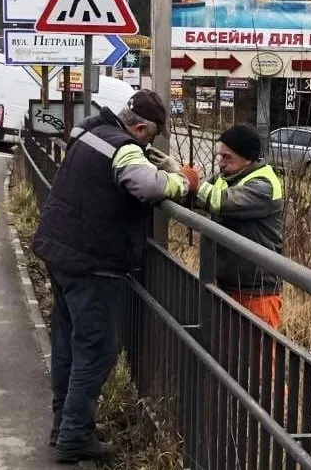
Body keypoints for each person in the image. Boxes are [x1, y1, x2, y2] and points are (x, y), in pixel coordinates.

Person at [31, 90, 200, 464]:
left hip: (61, 251)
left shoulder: (92, 131)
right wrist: (184, 182)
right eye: (150, 137)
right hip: (94, 261)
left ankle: (65, 424)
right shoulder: (124, 147)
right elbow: (148, 186)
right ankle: (74, 436)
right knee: (97, 350)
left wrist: (153, 158)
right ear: (140, 127)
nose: (148, 143)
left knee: (68, 344)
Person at [190, 124, 285, 330]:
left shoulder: (263, 185)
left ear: (248, 158)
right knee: (227, 355)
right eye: (219, 156)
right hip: (228, 284)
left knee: (259, 358)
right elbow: (197, 197)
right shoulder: (228, 178)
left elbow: (221, 202)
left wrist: (195, 184)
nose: (221, 162)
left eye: (227, 157)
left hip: (257, 290)